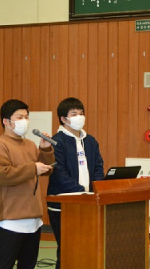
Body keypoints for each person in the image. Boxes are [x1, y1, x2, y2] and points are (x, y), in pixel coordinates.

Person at [0, 99, 55, 269]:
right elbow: (1, 175)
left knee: (28, 265)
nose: (25, 121)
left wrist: (45, 150)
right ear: (6, 121)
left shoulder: (30, 145)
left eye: (26, 116)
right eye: (20, 117)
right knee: (4, 265)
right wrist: (32, 168)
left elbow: (46, 170)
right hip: (10, 220)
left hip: (33, 220)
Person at [47, 97, 105, 269]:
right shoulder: (57, 141)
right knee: (67, 249)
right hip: (63, 204)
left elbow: (98, 167)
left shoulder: (91, 141)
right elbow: (58, 173)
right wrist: (81, 191)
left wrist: (95, 188)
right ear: (63, 119)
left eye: (81, 114)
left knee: (86, 248)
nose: (79, 117)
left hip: (88, 202)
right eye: (74, 114)